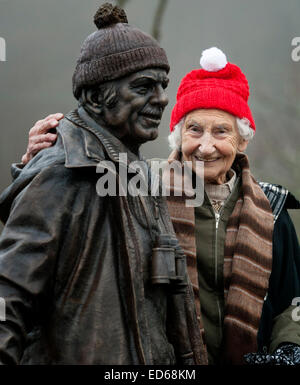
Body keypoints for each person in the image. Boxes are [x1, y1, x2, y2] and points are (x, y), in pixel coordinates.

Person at [26, 46, 300, 365]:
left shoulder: (272, 210)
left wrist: (288, 350)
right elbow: (63, 212)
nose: (206, 145)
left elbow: (290, 303)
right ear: (178, 137)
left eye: (221, 131)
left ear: (242, 141)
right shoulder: (140, 191)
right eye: (194, 129)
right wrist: (38, 161)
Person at [0, 3, 204, 365]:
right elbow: (8, 299)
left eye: (162, 85)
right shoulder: (61, 173)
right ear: (95, 97)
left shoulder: (138, 175)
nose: (161, 98)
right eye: (143, 87)